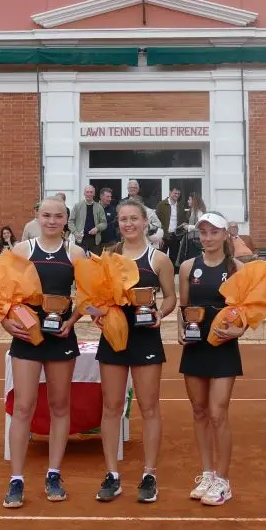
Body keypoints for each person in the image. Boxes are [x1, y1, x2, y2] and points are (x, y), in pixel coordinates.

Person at [2, 198, 86, 508]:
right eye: (46, 215)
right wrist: (6, 323)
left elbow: (90, 294)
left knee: (60, 405)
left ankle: (53, 473)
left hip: (61, 335)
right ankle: (16, 479)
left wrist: (73, 320)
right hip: (27, 337)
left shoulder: (75, 254)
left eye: (58, 216)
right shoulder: (21, 251)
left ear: (66, 219)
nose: (52, 220)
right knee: (23, 406)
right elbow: (0, 294)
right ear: (36, 216)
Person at [94, 199, 177, 504]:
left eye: (134, 218)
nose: (128, 224)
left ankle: (149, 474)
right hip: (114, 336)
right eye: (123, 219)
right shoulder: (109, 256)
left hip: (145, 337)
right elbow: (97, 295)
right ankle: (112, 475)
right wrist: (97, 312)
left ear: (145, 221)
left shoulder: (159, 259)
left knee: (149, 407)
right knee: (111, 407)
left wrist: (161, 314)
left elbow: (170, 298)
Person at [177, 211, 245, 506]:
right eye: (203, 233)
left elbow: (245, 312)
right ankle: (206, 473)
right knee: (199, 412)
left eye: (213, 232)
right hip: (195, 346)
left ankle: (223, 481)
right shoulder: (188, 267)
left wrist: (238, 330)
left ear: (224, 235)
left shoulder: (237, 268)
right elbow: (184, 307)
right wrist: (182, 331)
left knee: (218, 413)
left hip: (223, 347)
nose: (208, 238)